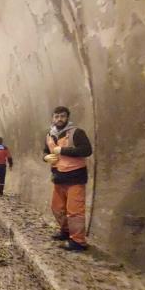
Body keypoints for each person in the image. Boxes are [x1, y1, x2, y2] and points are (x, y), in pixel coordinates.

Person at [43, 106, 92, 252]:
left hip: (75, 178)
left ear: (67, 117)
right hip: (58, 177)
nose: (59, 119)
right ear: (53, 118)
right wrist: (45, 157)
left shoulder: (77, 133)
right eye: (56, 116)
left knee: (75, 211)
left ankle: (78, 241)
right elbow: (45, 151)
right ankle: (65, 231)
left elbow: (86, 150)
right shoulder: (49, 135)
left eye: (62, 116)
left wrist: (63, 150)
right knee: (57, 208)